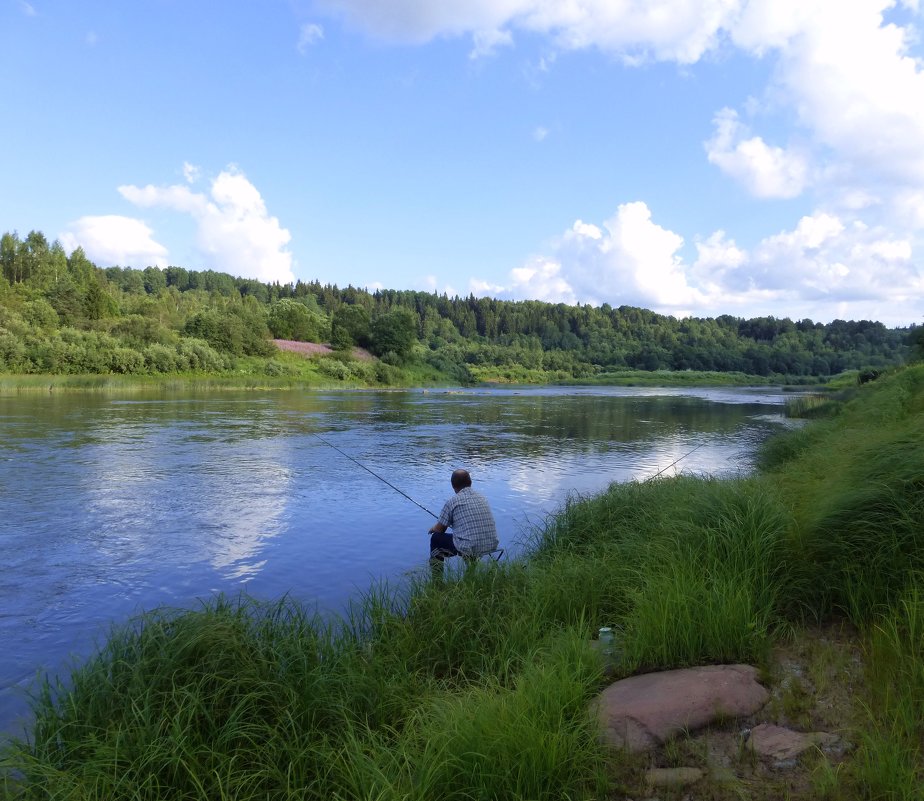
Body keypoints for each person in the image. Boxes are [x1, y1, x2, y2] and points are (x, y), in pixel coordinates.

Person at [428, 468, 498, 578]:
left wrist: (432, 529)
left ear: (453, 485)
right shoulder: (482, 498)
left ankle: (437, 581)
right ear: (470, 482)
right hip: (491, 544)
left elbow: (440, 529)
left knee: (436, 539)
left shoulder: (452, 502)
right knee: (468, 537)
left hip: (471, 547)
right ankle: (471, 573)